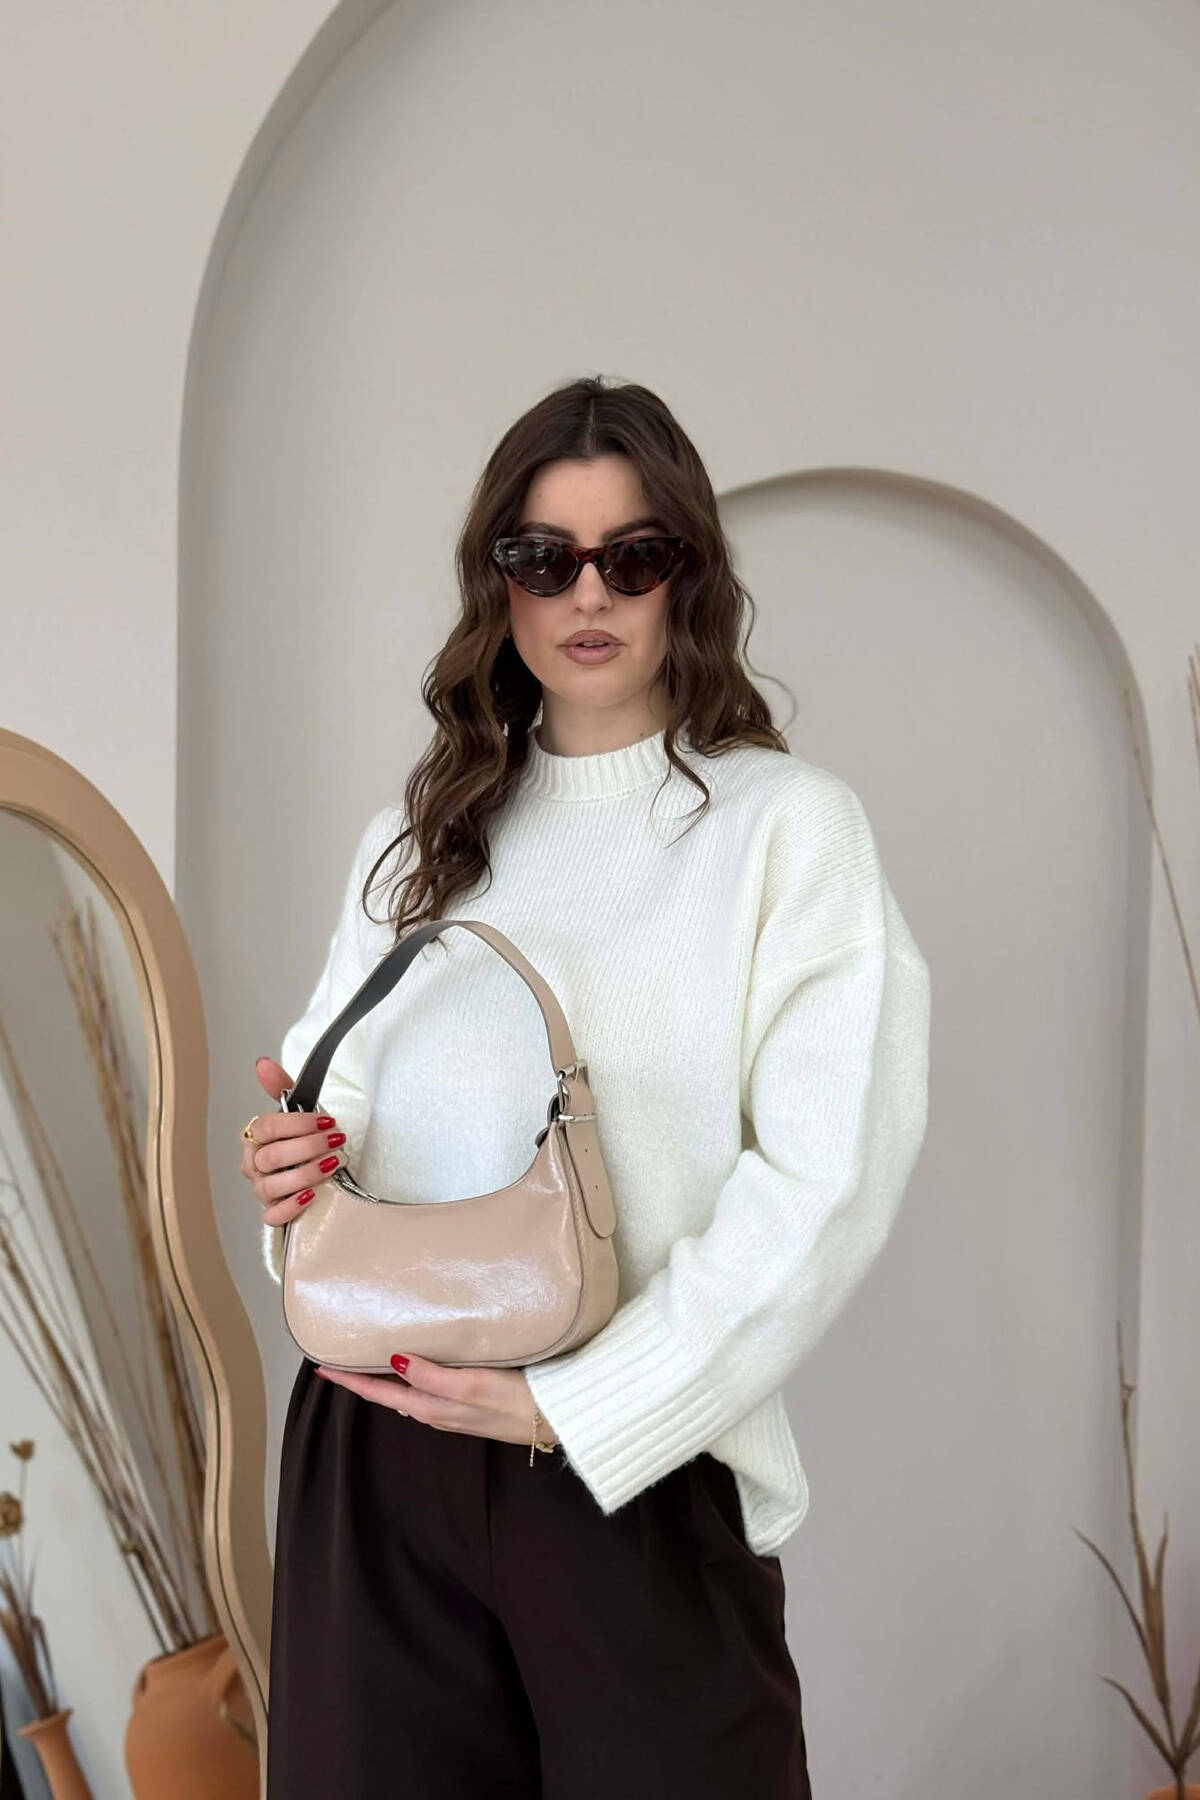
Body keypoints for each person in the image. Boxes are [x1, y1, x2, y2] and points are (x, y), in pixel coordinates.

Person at [241, 374, 931, 1798]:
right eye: (542, 557)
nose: (589, 592)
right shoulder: (418, 837)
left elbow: (831, 1178)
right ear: (496, 581)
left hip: (633, 1462)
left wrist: (593, 1403)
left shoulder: (784, 832)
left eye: (635, 554)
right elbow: (337, 1116)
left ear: (690, 574)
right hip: (376, 1443)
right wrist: (290, 1179)